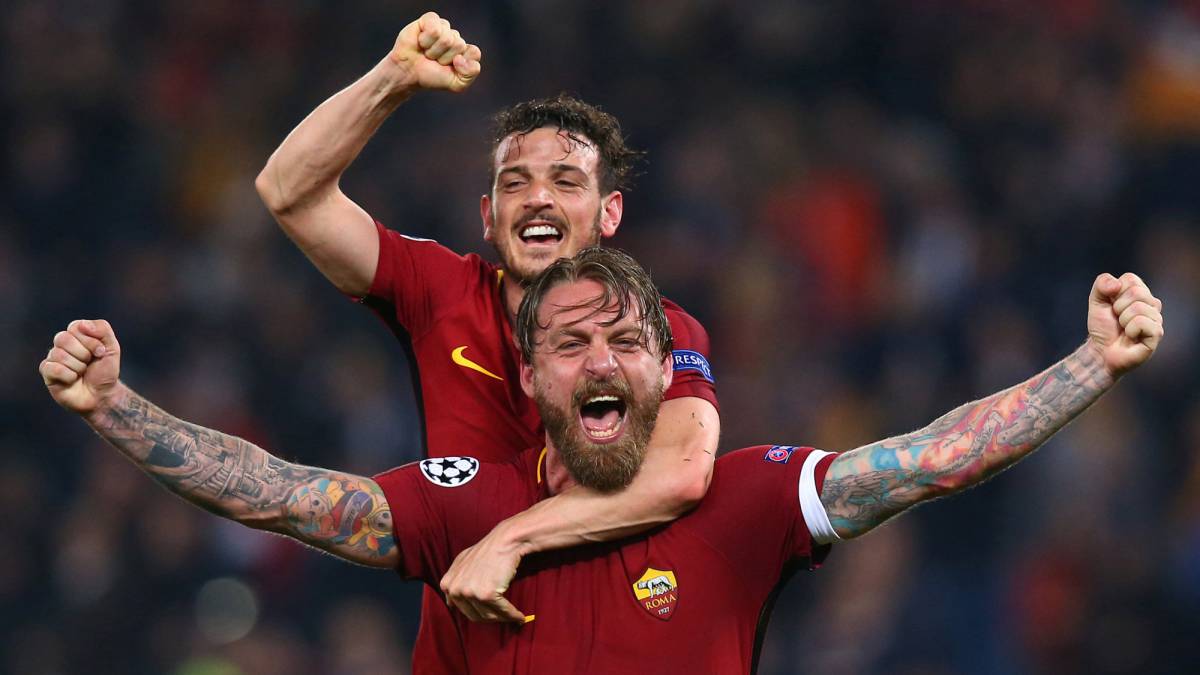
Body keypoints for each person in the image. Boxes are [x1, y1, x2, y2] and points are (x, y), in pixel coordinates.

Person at [42, 247, 1163, 674]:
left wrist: (1090, 366)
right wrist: (115, 407)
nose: (601, 358)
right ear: (529, 384)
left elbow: (923, 462)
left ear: (664, 367)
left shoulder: (744, 499)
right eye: (569, 343)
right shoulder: (467, 501)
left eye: (627, 338)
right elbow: (286, 498)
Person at [252, 13, 721, 669]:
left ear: (609, 212)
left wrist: (510, 539)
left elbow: (681, 472)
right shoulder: (442, 291)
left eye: (566, 180)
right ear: (487, 215)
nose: (537, 199)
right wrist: (392, 80)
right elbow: (289, 191)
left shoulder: (657, 330)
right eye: (514, 182)